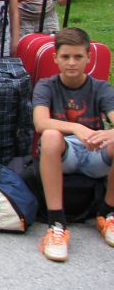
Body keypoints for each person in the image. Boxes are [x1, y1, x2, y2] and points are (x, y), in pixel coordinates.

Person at [33, 27, 114, 262]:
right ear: (55, 58)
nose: (71, 63)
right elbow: (40, 123)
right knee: (49, 135)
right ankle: (56, 224)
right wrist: (77, 128)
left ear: (89, 57)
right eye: (65, 56)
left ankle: (108, 213)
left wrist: (108, 134)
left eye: (78, 57)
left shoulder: (101, 87)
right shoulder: (46, 85)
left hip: (94, 152)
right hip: (65, 153)